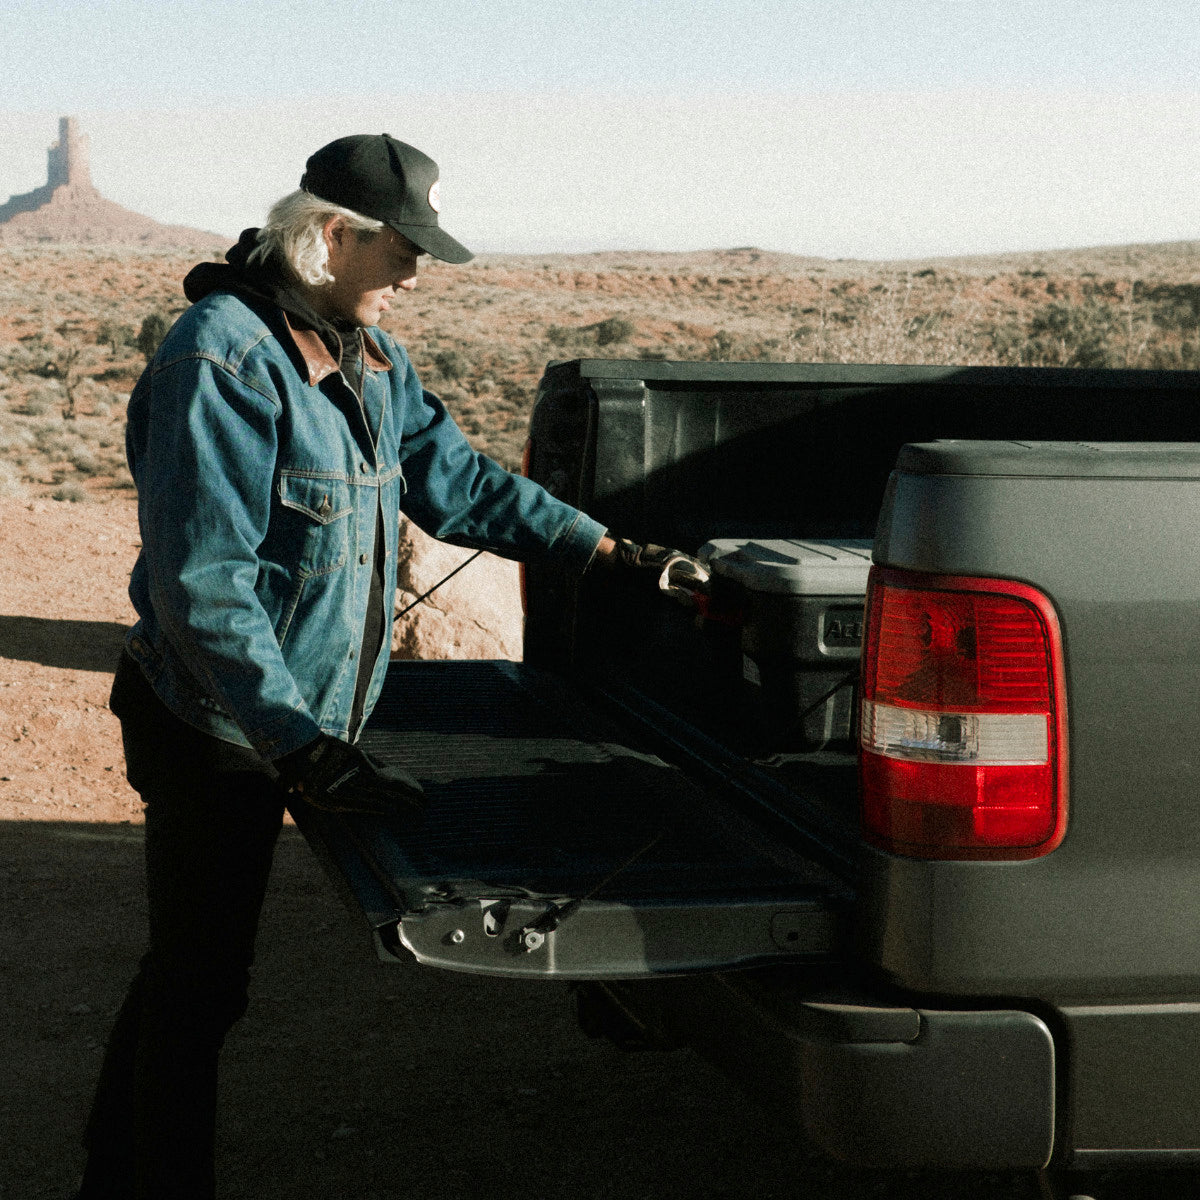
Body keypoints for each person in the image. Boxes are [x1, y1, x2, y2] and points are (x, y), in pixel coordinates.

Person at [76, 133, 700, 1199]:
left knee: (197, 978)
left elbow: (460, 488)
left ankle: (118, 1170)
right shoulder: (218, 358)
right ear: (331, 237)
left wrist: (609, 554)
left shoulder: (371, 359)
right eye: (404, 248)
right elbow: (204, 588)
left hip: (299, 724)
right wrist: (299, 746)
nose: (416, 272)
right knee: (199, 980)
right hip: (216, 726)